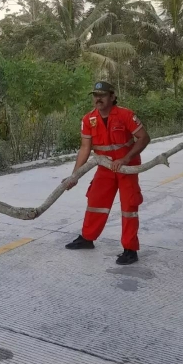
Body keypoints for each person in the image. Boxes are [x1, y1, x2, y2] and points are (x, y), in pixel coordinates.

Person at [63, 81, 151, 265]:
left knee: (129, 207)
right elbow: (85, 148)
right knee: (95, 202)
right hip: (105, 167)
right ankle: (87, 238)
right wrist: (75, 175)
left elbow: (144, 138)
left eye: (102, 95)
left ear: (112, 97)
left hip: (127, 167)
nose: (98, 99)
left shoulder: (126, 115)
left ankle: (130, 249)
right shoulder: (88, 120)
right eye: (95, 95)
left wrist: (125, 159)